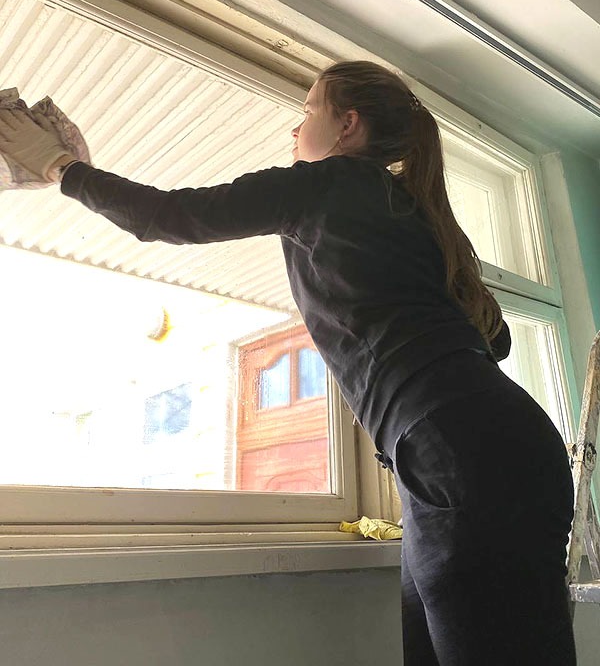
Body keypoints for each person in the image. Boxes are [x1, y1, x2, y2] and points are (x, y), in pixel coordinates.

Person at [0, 61, 576, 665]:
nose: (294, 129)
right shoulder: (416, 210)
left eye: (307, 110)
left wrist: (61, 168)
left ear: (347, 125)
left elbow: (166, 217)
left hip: (452, 452)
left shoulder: (326, 183)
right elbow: (497, 341)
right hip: (491, 446)